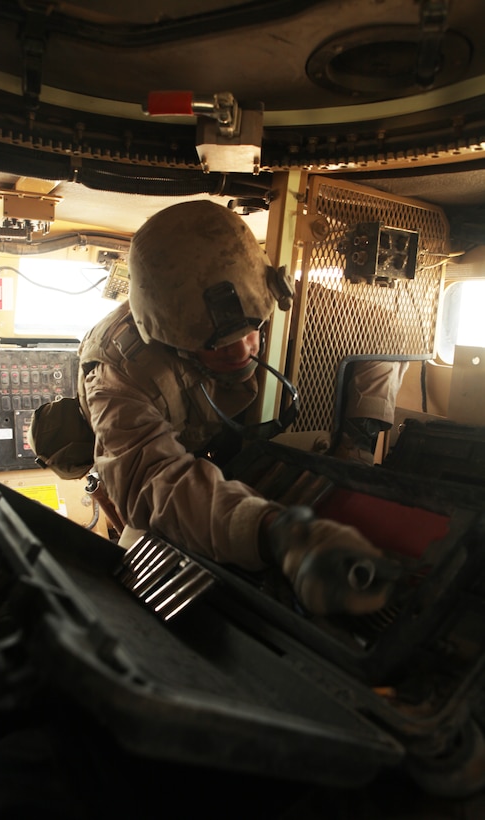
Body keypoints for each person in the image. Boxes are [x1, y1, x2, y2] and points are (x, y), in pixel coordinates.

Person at [77, 200, 402, 617]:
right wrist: (273, 531)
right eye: (214, 342)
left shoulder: (260, 285)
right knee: (135, 586)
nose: (242, 350)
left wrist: (355, 449)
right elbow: (150, 485)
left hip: (241, 444)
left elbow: (384, 334)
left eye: (252, 329)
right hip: (166, 459)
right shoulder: (119, 366)